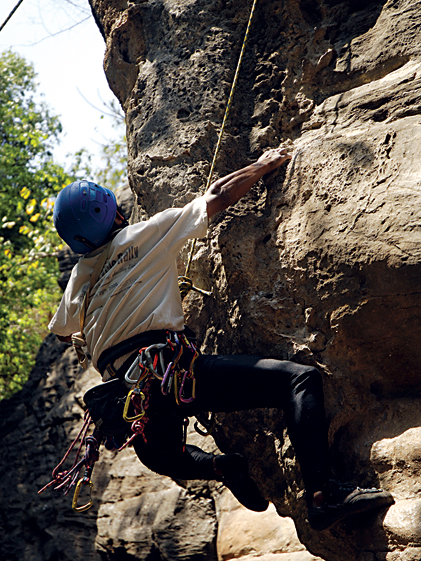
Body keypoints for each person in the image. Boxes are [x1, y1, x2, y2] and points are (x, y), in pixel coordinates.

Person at [49, 148, 393, 531]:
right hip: (176, 374)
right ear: (114, 213)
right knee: (299, 380)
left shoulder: (78, 279)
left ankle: (223, 467)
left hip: (131, 401)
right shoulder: (144, 234)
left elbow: (62, 332)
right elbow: (218, 196)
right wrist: (264, 164)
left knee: (161, 457)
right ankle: (323, 496)